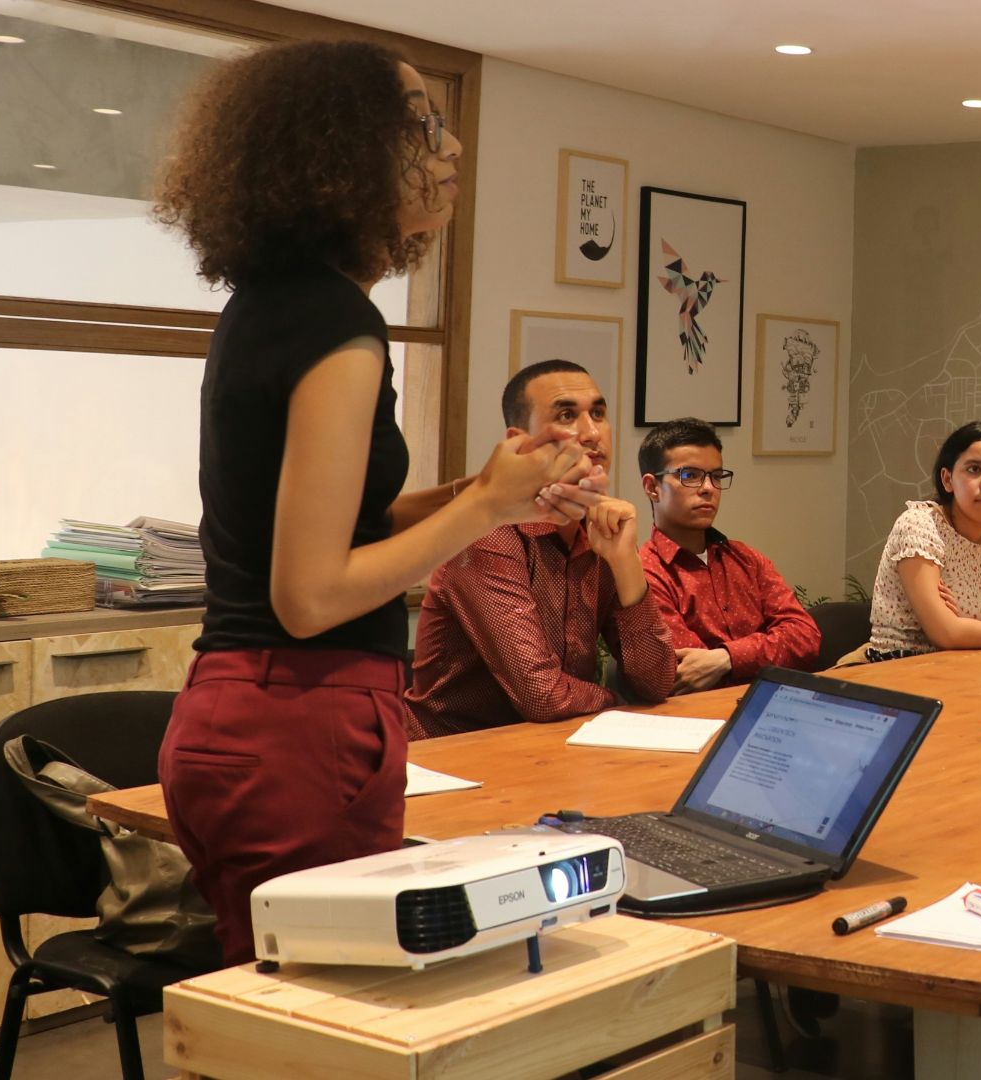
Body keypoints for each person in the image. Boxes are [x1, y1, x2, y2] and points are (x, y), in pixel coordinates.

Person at [152, 40, 601, 965]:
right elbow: (311, 594)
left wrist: (490, 490)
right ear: (342, 151)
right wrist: (481, 515)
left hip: (248, 711)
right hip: (298, 723)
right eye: (423, 124)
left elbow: (344, 526)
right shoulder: (337, 324)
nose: (452, 148)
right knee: (318, 1025)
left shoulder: (274, 304)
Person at [406, 361, 677, 737]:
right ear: (520, 441)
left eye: (598, 413)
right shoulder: (490, 533)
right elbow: (542, 696)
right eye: (567, 415)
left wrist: (624, 562)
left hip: (555, 747)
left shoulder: (601, 527)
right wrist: (619, 704)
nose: (592, 433)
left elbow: (657, 681)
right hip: (452, 754)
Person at [636, 418, 821, 691]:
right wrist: (764, 653)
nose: (708, 488)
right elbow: (688, 672)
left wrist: (725, 659)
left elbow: (805, 637)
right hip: (699, 719)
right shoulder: (646, 572)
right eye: (690, 475)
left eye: (717, 476)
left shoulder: (746, 559)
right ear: (652, 487)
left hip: (768, 709)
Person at [864, 421, 981, 660]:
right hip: (902, 664)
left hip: (971, 662)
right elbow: (945, 634)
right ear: (947, 479)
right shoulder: (919, 524)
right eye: (974, 469)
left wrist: (962, 626)